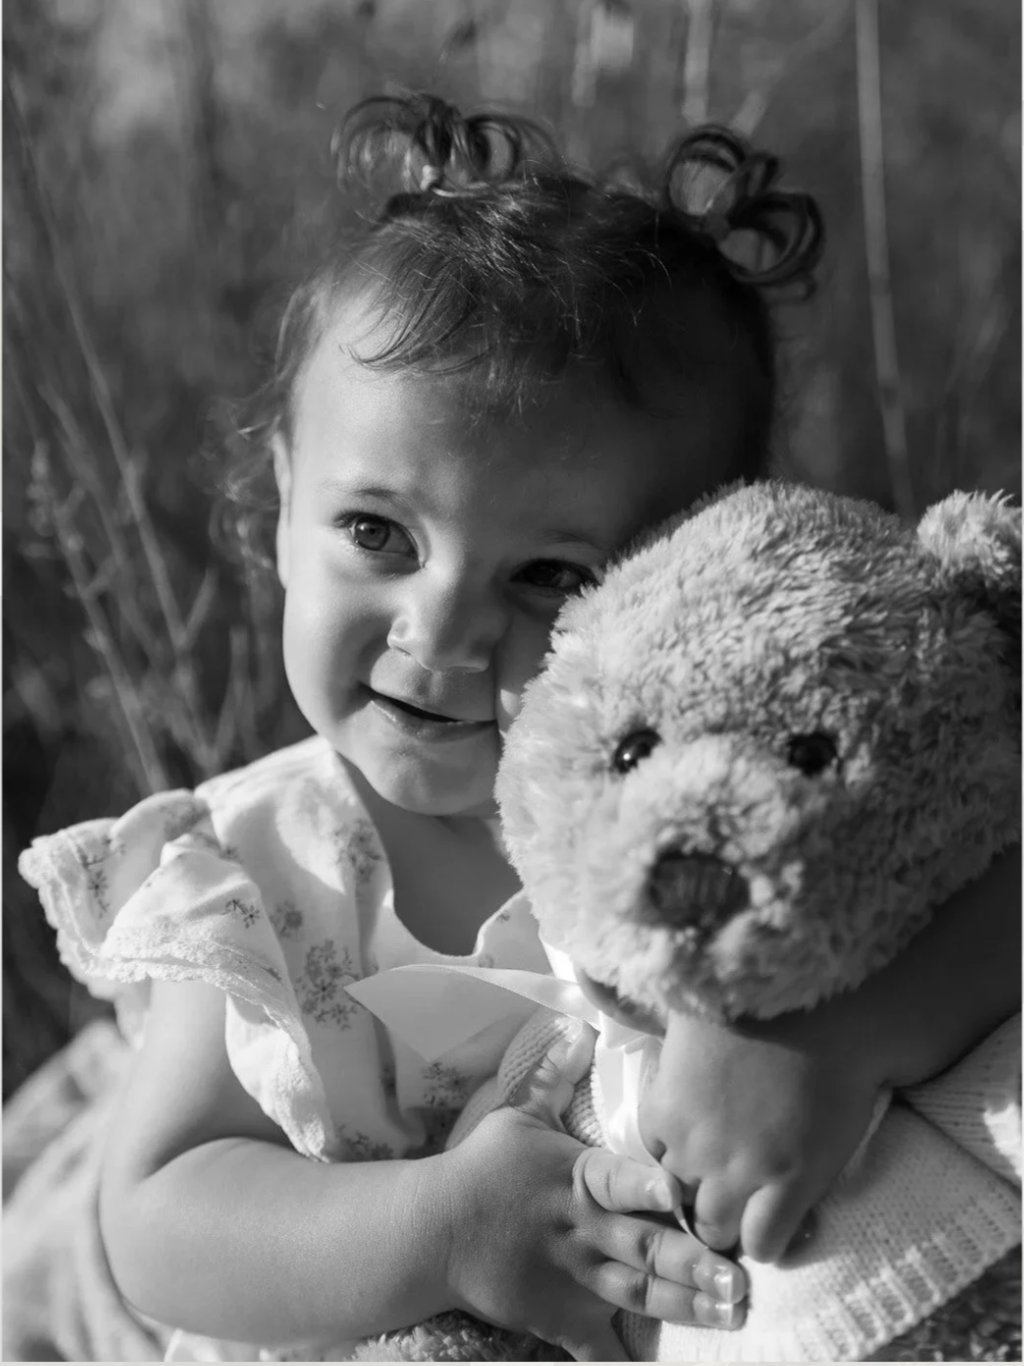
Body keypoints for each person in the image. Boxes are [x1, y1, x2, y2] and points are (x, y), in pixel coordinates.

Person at [15, 93, 1017, 1363]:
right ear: (281, 506)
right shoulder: (257, 869)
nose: (436, 634)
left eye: (546, 574)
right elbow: (156, 1216)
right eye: (377, 534)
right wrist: (442, 1227)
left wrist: (844, 1032)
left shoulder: (738, 804)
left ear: (689, 574)